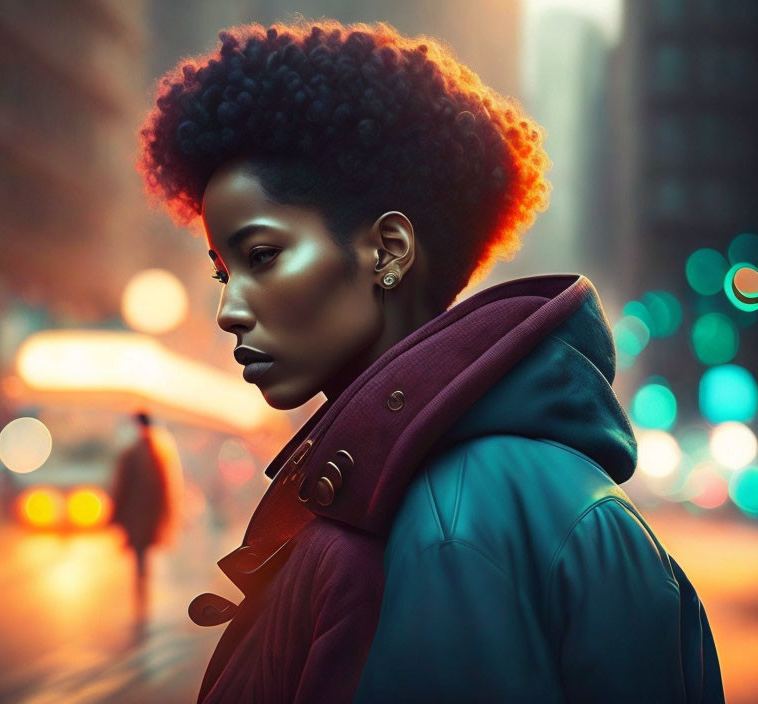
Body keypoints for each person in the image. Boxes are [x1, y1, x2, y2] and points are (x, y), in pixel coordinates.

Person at [140, 20, 724, 703]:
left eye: (261, 257)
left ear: (388, 250)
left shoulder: (451, 521)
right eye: (222, 273)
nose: (230, 310)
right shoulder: (445, 491)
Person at [110, 412, 173, 607]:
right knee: (142, 550)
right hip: (149, 512)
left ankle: (141, 589)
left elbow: (122, 485)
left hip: (137, 512)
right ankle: (142, 587)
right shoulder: (158, 452)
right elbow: (164, 487)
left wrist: (116, 512)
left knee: (140, 551)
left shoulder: (133, 452)